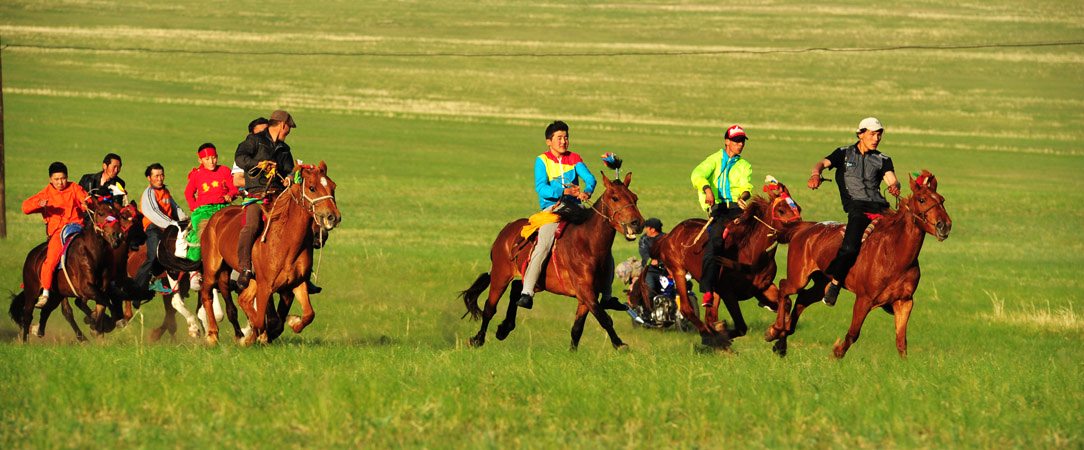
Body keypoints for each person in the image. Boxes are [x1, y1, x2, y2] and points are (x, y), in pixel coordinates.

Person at [516, 120, 624, 311]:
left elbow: (589, 178)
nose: (564, 141)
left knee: (603, 245)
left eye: (566, 137)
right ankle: (527, 292)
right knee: (544, 244)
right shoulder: (542, 160)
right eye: (559, 138)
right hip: (553, 209)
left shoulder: (574, 158)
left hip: (576, 208)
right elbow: (541, 188)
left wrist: (587, 192)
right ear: (549, 141)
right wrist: (564, 191)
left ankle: (607, 296)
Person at [808, 117, 901, 306]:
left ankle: (890, 291)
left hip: (881, 207)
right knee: (850, 247)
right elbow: (820, 164)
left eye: (879, 134)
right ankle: (835, 284)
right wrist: (815, 174)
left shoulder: (883, 159)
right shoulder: (843, 154)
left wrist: (895, 186)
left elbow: (892, 179)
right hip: (858, 206)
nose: (876, 138)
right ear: (861, 134)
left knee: (898, 244)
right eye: (872, 134)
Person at [690, 125, 754, 308]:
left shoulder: (744, 165)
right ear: (727, 141)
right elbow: (697, 174)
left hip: (736, 207)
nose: (740, 144)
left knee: (759, 234)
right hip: (717, 208)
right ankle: (708, 289)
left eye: (742, 141)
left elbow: (746, 186)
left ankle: (761, 278)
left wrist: (743, 197)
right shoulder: (715, 160)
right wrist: (707, 189)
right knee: (716, 242)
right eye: (736, 141)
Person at [234, 110, 296, 289]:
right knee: (252, 226)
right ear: (283, 125)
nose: (288, 132)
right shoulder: (254, 141)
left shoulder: (285, 149)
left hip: (279, 195)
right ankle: (245, 268)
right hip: (258, 194)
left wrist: (289, 178)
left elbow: (289, 169)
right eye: (288, 129)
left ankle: (301, 273)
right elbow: (239, 157)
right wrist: (258, 164)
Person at [22, 162, 91, 307]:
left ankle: (113, 282)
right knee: (51, 259)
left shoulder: (74, 188)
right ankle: (46, 292)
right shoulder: (45, 194)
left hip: (77, 228)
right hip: (58, 233)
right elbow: (25, 207)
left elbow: (84, 198)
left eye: (63, 178)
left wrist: (86, 203)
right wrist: (38, 204)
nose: (60, 182)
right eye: (57, 179)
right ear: (50, 180)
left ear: (67, 177)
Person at [133, 163, 188, 297]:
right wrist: (172, 223)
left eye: (162, 175)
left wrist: (184, 219)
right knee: (153, 257)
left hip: (168, 227)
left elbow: (175, 208)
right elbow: (153, 212)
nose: (160, 178)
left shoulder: (166, 192)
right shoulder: (149, 193)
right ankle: (137, 288)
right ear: (149, 178)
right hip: (153, 227)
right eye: (156, 176)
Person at [184, 143, 238, 263]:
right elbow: (188, 193)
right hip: (203, 210)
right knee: (199, 237)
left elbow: (234, 188)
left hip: (223, 208)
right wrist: (195, 208)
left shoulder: (224, 170)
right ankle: (193, 268)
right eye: (207, 159)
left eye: (214, 157)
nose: (211, 161)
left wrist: (230, 195)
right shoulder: (196, 174)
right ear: (200, 160)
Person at [233, 117, 269, 190]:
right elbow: (237, 181)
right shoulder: (243, 156)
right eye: (260, 133)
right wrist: (262, 185)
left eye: (267, 132)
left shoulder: (279, 150)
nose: (264, 135)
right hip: (254, 195)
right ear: (251, 135)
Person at [639, 218, 667, 300]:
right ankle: (649, 308)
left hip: (665, 270)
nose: (645, 230)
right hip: (649, 270)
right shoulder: (644, 239)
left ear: (653, 229)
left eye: (646, 227)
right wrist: (651, 260)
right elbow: (644, 252)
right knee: (650, 287)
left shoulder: (665, 238)